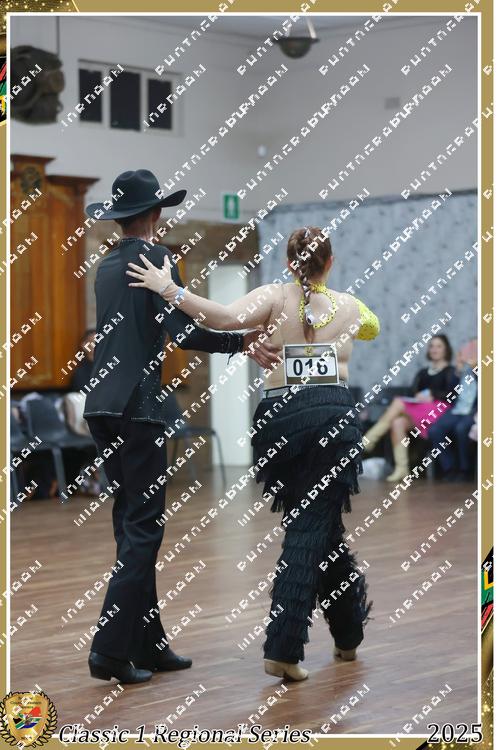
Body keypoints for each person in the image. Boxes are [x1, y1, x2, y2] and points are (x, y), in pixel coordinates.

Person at [127, 225, 380, 681]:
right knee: (311, 527)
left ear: (288, 262)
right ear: (330, 262)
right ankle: (283, 649)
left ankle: (348, 634)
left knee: (320, 527)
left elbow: (222, 318)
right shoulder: (350, 305)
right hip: (332, 418)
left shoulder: (274, 296)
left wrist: (169, 288)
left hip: (282, 421)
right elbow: (373, 327)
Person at [82, 169, 279, 684]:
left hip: (101, 407)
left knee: (131, 526)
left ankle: (148, 644)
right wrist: (241, 342)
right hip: (139, 408)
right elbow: (184, 333)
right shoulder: (158, 258)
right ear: (155, 214)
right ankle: (108, 651)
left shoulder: (106, 265)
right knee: (144, 531)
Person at [363, 334, 459, 482]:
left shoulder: (451, 371)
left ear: (446, 349)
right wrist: (420, 397)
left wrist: (432, 394)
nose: (434, 349)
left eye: (439, 346)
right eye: (432, 346)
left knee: (398, 402)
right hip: (420, 411)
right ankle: (402, 469)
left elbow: (453, 394)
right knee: (397, 423)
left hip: (439, 412)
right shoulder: (423, 373)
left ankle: (368, 440)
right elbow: (413, 393)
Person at [427, 339, 478, 481]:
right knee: (434, 430)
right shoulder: (462, 369)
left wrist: (477, 369)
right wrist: (458, 371)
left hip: (474, 411)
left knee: (461, 429)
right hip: (457, 409)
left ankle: (465, 469)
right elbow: (450, 394)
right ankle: (449, 467)